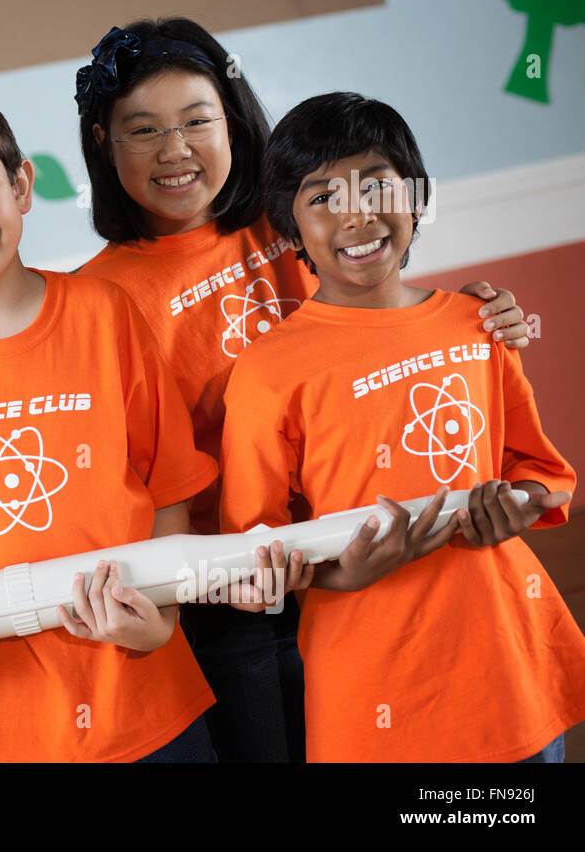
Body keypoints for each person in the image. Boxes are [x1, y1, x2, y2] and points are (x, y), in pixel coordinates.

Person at [73, 17, 531, 762]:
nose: (176, 150)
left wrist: (483, 316)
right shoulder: (93, 301)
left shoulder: (297, 211)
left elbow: (390, 304)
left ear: (234, 117)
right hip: (240, 592)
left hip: (377, 541)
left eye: (197, 120)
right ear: (102, 143)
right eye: (143, 130)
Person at [0, 84, 287, 763]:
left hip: (143, 699)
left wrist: (163, 621)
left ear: (22, 184)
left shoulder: (104, 312)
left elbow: (170, 492)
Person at [220, 91, 585, 762]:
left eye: (376, 185)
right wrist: (340, 577)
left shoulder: (477, 323)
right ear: (290, 230)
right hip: (373, 687)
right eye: (322, 197)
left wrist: (520, 505)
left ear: (416, 197)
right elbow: (255, 551)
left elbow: (544, 474)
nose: (356, 215)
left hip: (511, 667)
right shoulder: (266, 372)